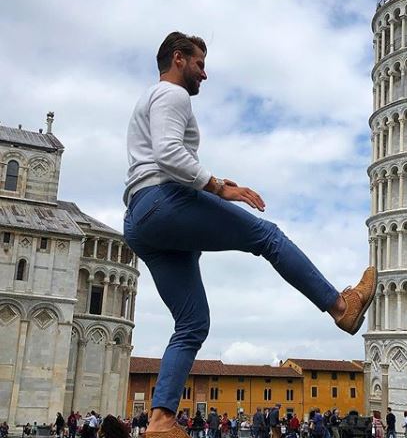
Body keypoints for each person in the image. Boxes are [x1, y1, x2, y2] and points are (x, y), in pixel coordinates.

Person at [123, 31, 377, 438]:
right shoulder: (173, 96)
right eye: (200, 64)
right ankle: (339, 306)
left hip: (140, 220)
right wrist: (221, 188)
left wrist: (213, 183)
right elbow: (169, 155)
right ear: (178, 59)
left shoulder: (148, 100)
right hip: (162, 201)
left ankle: (160, 419)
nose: (205, 74)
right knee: (268, 237)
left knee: (192, 323)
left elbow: (164, 156)